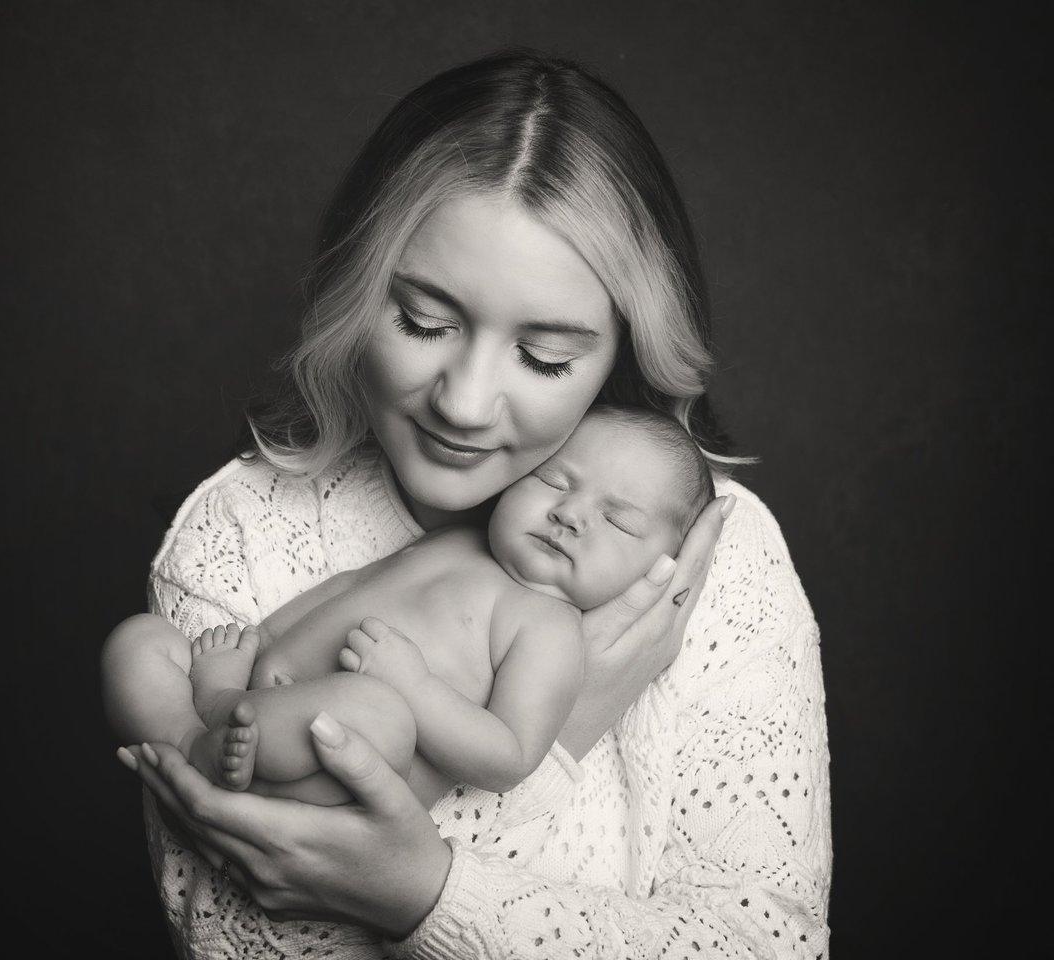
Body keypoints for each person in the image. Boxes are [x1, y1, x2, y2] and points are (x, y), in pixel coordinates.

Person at [111, 47, 832, 959]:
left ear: (624, 354)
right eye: (424, 322)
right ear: (357, 290)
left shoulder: (705, 552)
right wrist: (566, 730)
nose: (462, 403)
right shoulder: (238, 537)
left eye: (545, 357)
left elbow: (772, 946)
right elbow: (234, 939)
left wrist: (428, 887)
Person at [105, 406, 715, 808]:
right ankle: (192, 738)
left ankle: (226, 747)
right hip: (260, 692)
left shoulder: (549, 629)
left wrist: (414, 686)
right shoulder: (463, 538)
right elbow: (352, 585)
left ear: (660, 571)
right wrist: (261, 639)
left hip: (337, 765)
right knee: (139, 640)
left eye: (618, 521)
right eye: (553, 480)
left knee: (380, 710)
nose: (569, 513)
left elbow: (509, 755)